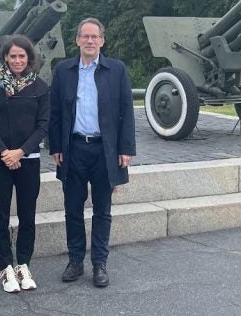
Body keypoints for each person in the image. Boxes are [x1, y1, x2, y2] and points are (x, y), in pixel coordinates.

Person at [49, 17, 135, 288]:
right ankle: (75, 260)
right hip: (73, 148)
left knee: (102, 210)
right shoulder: (63, 71)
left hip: (105, 150)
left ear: (102, 41)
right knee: (72, 208)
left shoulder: (116, 70)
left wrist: (125, 149)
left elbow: (126, 112)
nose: (89, 41)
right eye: (84, 36)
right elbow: (54, 113)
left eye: (94, 37)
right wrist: (56, 147)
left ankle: (99, 263)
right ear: (77, 40)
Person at [0, 34, 50, 293]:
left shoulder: (40, 87)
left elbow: (43, 125)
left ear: (28, 58)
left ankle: (24, 264)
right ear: (5, 58)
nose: (17, 60)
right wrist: (4, 152)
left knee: (27, 215)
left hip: (27, 160)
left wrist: (20, 152)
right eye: (12, 56)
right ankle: (6, 267)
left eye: (22, 56)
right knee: (0, 215)